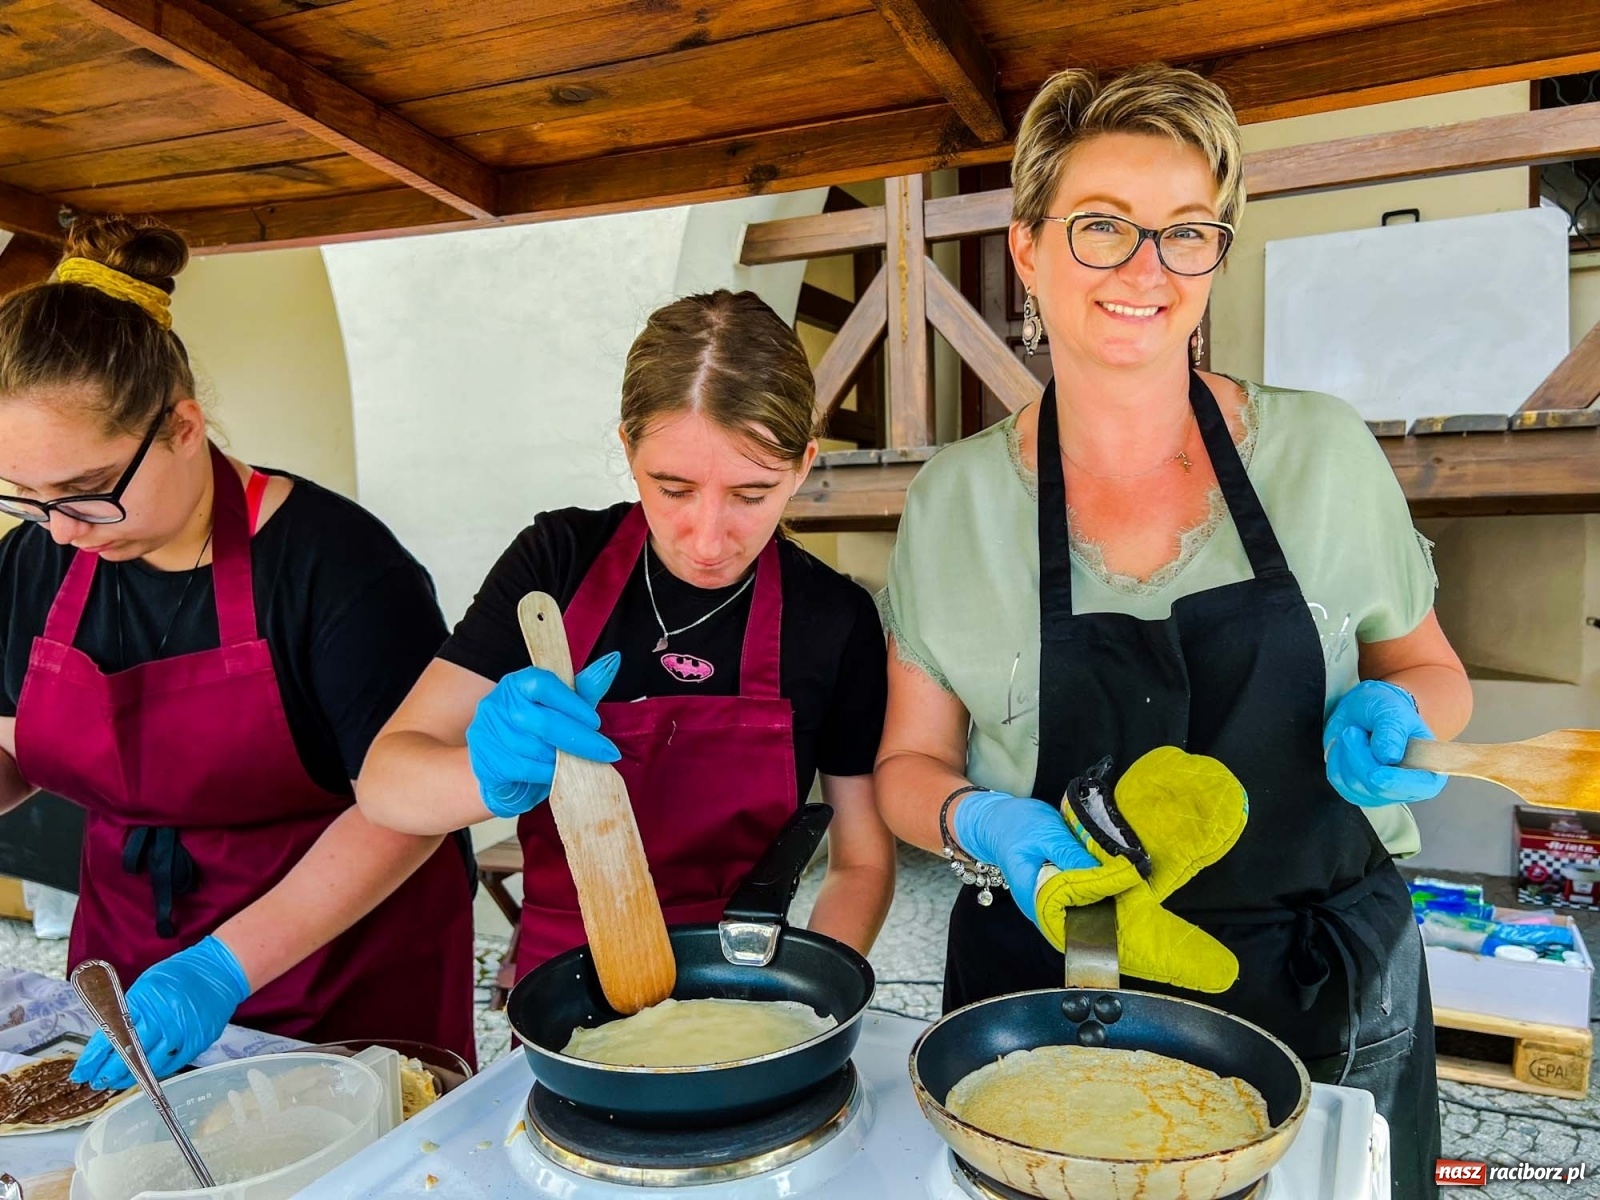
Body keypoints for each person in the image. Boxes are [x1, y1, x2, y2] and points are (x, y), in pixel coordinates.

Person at [873, 66, 1471, 1198]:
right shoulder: (954, 501)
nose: (1146, 269)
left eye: (1186, 233)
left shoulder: (1325, 455)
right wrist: (975, 820)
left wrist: (1407, 716)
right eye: (1101, 228)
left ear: (1214, 257)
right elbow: (908, 762)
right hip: (1047, 995)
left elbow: (1431, 673)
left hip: (1323, 989)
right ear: (1028, 251)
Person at [0, 217, 476, 1086]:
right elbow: (12, 745)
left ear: (183, 427)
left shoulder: (336, 566)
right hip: (130, 963)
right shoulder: (35, 559)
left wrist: (222, 968)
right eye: (27, 497)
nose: (62, 533)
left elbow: (410, 809)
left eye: (87, 492)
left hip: (340, 965)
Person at [360, 289, 894, 974]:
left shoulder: (835, 619)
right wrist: (484, 775)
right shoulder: (558, 561)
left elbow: (862, 858)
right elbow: (385, 783)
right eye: (672, 490)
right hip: (564, 977)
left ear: (803, 464)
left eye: (751, 496)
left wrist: (808, 994)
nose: (707, 540)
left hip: (740, 974)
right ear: (626, 448)